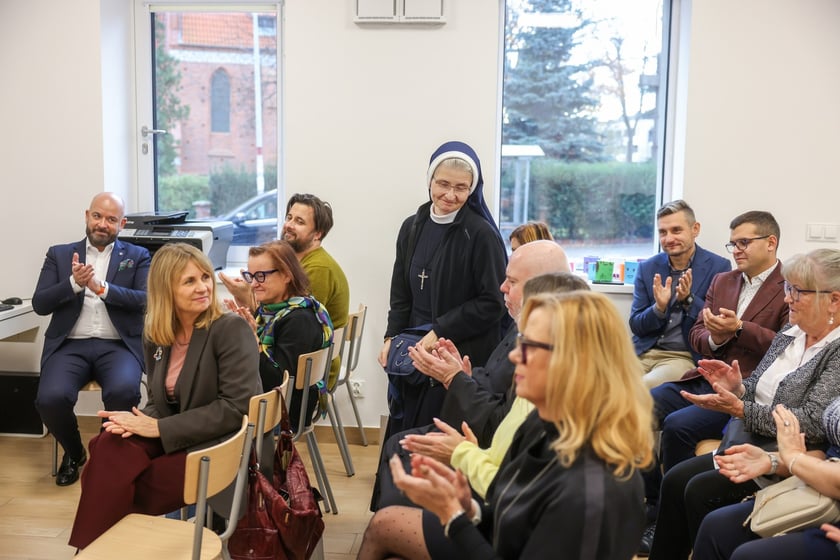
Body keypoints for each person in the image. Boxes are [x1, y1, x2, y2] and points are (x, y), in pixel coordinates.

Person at [359, 291, 654, 559]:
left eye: (529, 346)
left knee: (385, 525)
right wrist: (467, 507)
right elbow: (513, 506)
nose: (514, 356)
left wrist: (454, 517)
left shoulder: (590, 490)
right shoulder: (543, 422)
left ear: (572, 362)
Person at [647, 248, 840, 560]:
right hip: (749, 438)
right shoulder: (791, 333)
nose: (788, 298)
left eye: (798, 291)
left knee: (698, 491)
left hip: (787, 450)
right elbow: (760, 388)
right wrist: (737, 389)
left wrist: (740, 408)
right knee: (675, 479)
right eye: (787, 288)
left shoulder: (836, 350)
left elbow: (813, 420)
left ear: (834, 300)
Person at [67, 243, 260, 549]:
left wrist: (157, 429)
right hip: (178, 434)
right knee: (107, 444)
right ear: (165, 290)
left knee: (114, 486)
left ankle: (90, 551)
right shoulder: (157, 333)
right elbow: (158, 403)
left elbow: (236, 409)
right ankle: (97, 552)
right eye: (189, 281)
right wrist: (136, 423)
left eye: (205, 277)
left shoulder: (229, 329)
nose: (203, 287)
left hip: (218, 446)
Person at [369, 240, 571, 511]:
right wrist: (464, 374)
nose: (502, 287)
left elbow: (500, 423)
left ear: (541, 286)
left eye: (511, 281)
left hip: (489, 455)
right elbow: (495, 384)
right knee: (398, 443)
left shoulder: (545, 346)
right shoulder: (526, 324)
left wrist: (455, 379)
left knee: (401, 446)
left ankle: (398, 528)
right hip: (480, 435)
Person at [640, 211, 789, 552]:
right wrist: (716, 340)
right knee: (638, 406)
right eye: (733, 243)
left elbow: (786, 347)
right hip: (705, 376)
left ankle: (669, 518)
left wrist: (739, 329)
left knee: (677, 426)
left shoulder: (788, 287)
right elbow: (697, 334)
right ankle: (652, 504)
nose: (736, 249)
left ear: (771, 242)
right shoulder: (724, 280)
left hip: (746, 390)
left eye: (744, 242)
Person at [378, 141, 507, 437]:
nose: (450, 195)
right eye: (443, 184)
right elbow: (401, 292)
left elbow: (492, 302)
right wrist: (390, 336)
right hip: (416, 350)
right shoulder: (412, 227)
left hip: (459, 353)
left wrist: (439, 329)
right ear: (430, 180)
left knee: (436, 436)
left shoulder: (481, 235)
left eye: (461, 187)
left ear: (473, 188)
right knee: (406, 433)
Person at [32, 192, 150, 486]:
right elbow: (40, 304)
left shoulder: (137, 256)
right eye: (97, 216)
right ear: (87, 216)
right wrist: (74, 284)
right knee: (49, 399)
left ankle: (106, 454)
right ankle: (74, 453)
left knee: (123, 392)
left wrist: (102, 288)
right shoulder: (59, 254)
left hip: (118, 346)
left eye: (111, 219)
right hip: (70, 346)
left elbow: (146, 300)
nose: (102, 224)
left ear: (121, 223)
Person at [219, 193, 349, 386]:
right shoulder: (299, 265)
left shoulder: (317, 270)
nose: (288, 225)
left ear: (317, 234)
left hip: (307, 378)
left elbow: (291, 326)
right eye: (289, 217)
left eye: (299, 221)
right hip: (292, 371)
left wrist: (248, 298)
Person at [693, 399, 840, 560]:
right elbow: (828, 454)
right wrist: (773, 461)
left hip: (831, 503)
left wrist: (794, 458)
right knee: (716, 526)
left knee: (748, 555)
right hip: (818, 485)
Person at [228, 240, 333, 430]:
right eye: (250, 276)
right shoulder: (272, 310)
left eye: (261, 276)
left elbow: (278, 383)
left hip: (283, 413)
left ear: (286, 275)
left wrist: (254, 344)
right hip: (270, 402)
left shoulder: (299, 320)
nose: (253, 284)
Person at [630, 200, 731, 389]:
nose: (668, 238)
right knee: (603, 384)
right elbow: (636, 325)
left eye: (676, 230)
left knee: (642, 387)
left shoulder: (719, 267)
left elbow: (717, 324)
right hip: (641, 352)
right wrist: (658, 309)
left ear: (695, 229)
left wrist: (688, 300)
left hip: (681, 356)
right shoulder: (647, 268)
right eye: (663, 232)